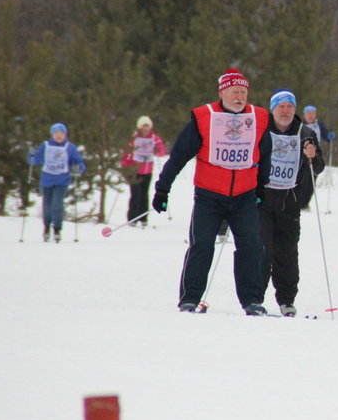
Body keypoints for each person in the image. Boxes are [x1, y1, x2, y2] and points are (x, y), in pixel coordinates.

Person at [151, 69, 272, 315]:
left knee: (251, 246)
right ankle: (190, 299)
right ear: (222, 92)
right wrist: (163, 189)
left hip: (244, 195)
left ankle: (252, 301)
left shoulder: (259, 117)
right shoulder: (204, 117)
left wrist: (261, 187)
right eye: (234, 92)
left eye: (243, 92)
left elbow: (265, 155)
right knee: (202, 246)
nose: (239, 97)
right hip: (209, 195)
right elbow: (179, 156)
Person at [258, 89, 325, 316]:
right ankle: (254, 298)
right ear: (273, 109)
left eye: (289, 106)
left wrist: (312, 155)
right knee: (261, 250)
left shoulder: (305, 133)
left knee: (287, 253)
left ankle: (286, 300)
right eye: (281, 106)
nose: (285, 111)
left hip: (290, 201)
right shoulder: (261, 129)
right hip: (262, 200)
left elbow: (319, 168)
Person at [27, 123, 86, 243]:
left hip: (61, 180)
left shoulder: (70, 147)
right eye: (56, 133)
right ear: (52, 134)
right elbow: (34, 161)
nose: (58, 136)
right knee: (47, 206)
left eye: (61, 133)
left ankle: (57, 229)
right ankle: (46, 228)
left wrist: (77, 167)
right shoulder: (45, 146)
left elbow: (79, 162)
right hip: (46, 180)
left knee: (57, 205)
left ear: (65, 134)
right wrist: (31, 154)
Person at [120, 116, 166, 227]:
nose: (145, 129)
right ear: (139, 127)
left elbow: (162, 151)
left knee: (144, 195)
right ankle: (132, 219)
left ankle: (143, 218)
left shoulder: (154, 138)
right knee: (135, 194)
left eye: (147, 126)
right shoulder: (134, 137)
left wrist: (157, 150)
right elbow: (126, 151)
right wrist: (125, 165)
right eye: (143, 126)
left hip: (147, 171)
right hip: (134, 171)